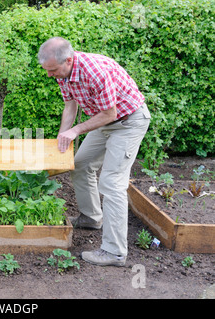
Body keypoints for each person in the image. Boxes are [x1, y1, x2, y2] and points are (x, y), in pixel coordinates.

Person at [38, 37, 150, 266]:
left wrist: (76, 131)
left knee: (111, 183)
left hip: (128, 121)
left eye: (53, 70)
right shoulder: (64, 73)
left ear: (68, 60)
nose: (50, 75)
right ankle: (91, 218)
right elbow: (70, 105)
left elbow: (110, 113)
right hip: (105, 123)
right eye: (47, 70)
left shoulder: (95, 71)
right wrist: (64, 135)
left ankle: (114, 252)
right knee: (81, 165)